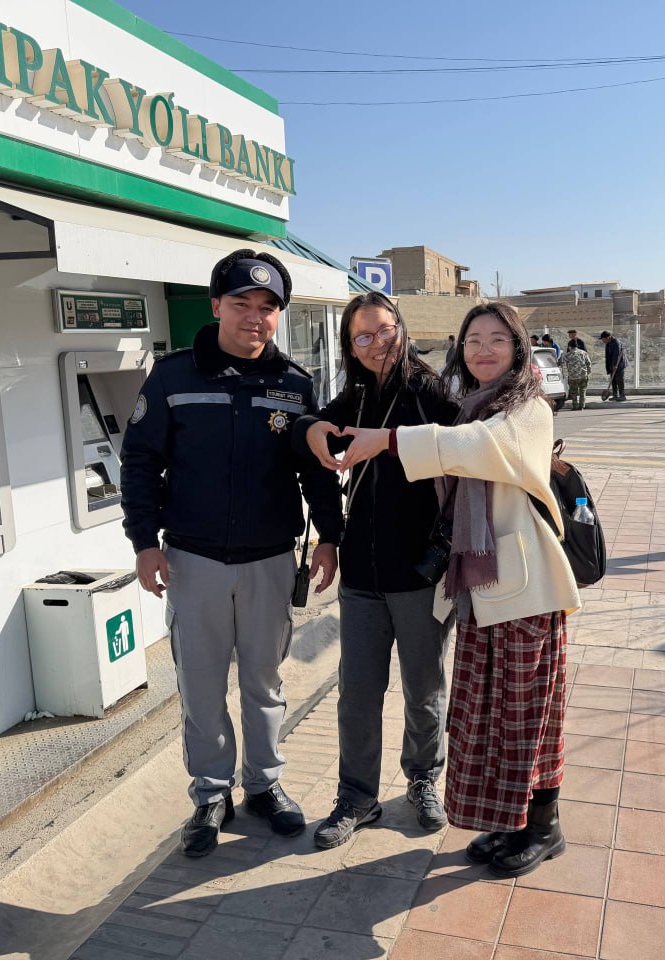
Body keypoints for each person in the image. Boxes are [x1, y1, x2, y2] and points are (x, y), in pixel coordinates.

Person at [336, 301, 580, 879]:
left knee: (529, 716)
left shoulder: (527, 408)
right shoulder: (474, 404)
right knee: (493, 717)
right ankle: (514, 823)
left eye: (497, 339)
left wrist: (388, 440)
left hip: (527, 593)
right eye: (473, 340)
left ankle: (544, 827)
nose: (483, 350)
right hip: (483, 589)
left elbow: (475, 446)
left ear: (518, 348)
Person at [121, 248, 344, 858]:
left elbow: (317, 469)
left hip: (270, 560)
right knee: (200, 686)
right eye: (242, 303)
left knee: (264, 682)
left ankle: (264, 785)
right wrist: (143, 542)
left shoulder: (295, 386)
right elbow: (139, 461)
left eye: (268, 307)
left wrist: (330, 535)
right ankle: (210, 794)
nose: (255, 316)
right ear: (216, 305)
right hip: (192, 562)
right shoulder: (173, 378)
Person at [294, 292, 460, 848]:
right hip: (362, 575)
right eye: (362, 336)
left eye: (385, 330)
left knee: (424, 687)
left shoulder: (431, 390)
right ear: (349, 345)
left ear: (401, 328)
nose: (376, 344)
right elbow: (315, 424)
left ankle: (423, 779)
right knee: (358, 693)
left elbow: (462, 448)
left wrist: (388, 446)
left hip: (419, 572)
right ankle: (357, 796)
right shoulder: (358, 393)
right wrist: (312, 430)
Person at [562, 339, 593, 411]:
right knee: (583, 391)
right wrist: (588, 373)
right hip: (583, 376)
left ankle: (575, 406)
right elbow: (589, 364)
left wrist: (566, 375)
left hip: (573, 377)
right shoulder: (584, 353)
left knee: (574, 393)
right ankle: (582, 406)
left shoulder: (567, 355)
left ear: (569, 346)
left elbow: (563, 365)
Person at [600, 331, 627, 402]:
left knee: (619, 380)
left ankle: (622, 396)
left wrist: (615, 365)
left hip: (619, 364)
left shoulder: (616, 342)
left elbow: (616, 355)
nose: (603, 341)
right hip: (612, 364)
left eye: (603, 339)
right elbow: (608, 356)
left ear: (608, 337)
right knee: (613, 380)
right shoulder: (608, 344)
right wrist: (610, 366)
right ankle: (615, 395)